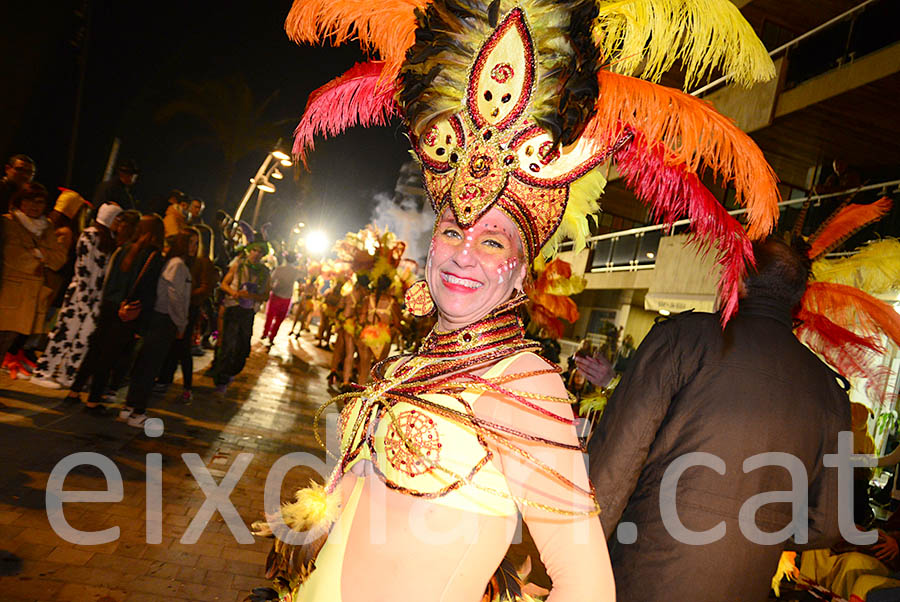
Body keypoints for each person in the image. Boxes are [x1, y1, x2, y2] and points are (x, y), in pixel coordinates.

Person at [257, 0, 783, 598]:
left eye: (491, 240)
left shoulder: (523, 384)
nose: (462, 254)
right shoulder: (418, 359)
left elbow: (587, 584)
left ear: (520, 275)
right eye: (454, 231)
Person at [586, 237, 851, 602]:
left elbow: (615, 464)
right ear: (796, 300)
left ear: (737, 281)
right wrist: (759, 528)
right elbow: (828, 524)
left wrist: (577, 558)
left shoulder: (684, 338)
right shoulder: (831, 392)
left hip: (645, 571)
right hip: (746, 583)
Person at [67, 215, 165, 414]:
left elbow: (110, 278)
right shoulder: (153, 256)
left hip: (109, 305)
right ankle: (93, 401)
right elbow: (147, 287)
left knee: (96, 348)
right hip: (128, 310)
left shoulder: (124, 249)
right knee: (109, 356)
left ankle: (74, 391)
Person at [31, 203, 123, 389]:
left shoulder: (110, 239)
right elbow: (83, 267)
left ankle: (69, 374)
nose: (119, 223)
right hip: (80, 294)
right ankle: (43, 371)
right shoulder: (89, 234)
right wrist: (83, 295)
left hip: (96, 297)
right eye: (117, 219)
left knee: (84, 338)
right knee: (64, 333)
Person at [119, 232, 192, 427]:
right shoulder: (177, 265)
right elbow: (176, 297)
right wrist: (181, 322)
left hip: (158, 318)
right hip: (165, 319)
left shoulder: (170, 263)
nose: (194, 247)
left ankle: (129, 407)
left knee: (144, 363)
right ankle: (137, 412)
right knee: (150, 367)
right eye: (191, 243)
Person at [0, 183, 67, 362]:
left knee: (8, 341)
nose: (34, 206)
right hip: (8, 291)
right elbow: (13, 256)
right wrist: (43, 258)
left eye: (39, 202)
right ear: (20, 201)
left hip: (30, 295)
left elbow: (60, 258)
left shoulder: (47, 226)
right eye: (29, 201)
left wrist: (38, 253)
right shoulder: (8, 222)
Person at [156, 227, 216, 401]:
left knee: (183, 348)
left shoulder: (202, 262)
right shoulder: (181, 261)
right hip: (177, 307)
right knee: (172, 346)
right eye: (190, 242)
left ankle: (186, 386)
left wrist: (185, 295)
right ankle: (164, 380)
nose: (193, 246)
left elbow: (205, 287)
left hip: (189, 309)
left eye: (196, 243)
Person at [212, 240, 270, 392]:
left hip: (248, 311)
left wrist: (251, 296)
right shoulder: (238, 265)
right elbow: (224, 283)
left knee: (243, 345)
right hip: (232, 307)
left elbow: (265, 295)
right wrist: (234, 293)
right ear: (249, 251)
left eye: (260, 252)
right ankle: (221, 376)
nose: (256, 254)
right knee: (228, 343)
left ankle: (231, 370)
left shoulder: (264, 271)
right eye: (254, 250)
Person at [261, 252, 302, 347]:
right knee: (279, 319)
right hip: (286, 298)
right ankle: (272, 336)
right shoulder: (295, 271)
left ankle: (265, 333)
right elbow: (304, 274)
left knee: (270, 316)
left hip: (276, 294)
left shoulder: (279, 269)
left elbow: (271, 280)